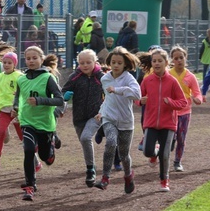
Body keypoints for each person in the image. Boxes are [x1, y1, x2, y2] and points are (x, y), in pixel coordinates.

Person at [12, 46, 64, 201]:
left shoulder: (48, 78)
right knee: (28, 149)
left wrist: (40, 101)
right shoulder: (21, 79)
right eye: (28, 58)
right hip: (27, 121)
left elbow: (60, 99)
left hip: (45, 124)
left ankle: (52, 143)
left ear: (42, 59)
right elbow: (18, 97)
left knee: (45, 157)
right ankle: (30, 186)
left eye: (34, 58)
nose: (31, 61)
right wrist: (15, 108)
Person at [138, 48, 187, 192]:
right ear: (151, 63)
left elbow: (182, 102)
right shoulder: (147, 81)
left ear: (166, 63)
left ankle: (164, 181)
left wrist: (171, 102)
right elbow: (137, 99)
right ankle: (155, 151)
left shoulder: (172, 81)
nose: (157, 63)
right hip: (151, 123)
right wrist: (141, 101)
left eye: (160, 61)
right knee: (147, 151)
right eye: (154, 61)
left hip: (168, 124)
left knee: (165, 155)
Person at [94, 47, 141, 193]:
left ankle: (128, 176)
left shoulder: (129, 78)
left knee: (124, 156)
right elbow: (108, 99)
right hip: (109, 118)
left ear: (125, 64)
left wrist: (118, 89)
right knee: (111, 142)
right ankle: (105, 178)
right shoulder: (105, 78)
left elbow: (137, 95)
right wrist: (101, 112)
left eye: (119, 63)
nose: (115, 65)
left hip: (126, 121)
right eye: (113, 62)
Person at [61, 49, 104, 187]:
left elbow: (110, 94)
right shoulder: (75, 76)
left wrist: (104, 110)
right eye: (81, 63)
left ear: (95, 62)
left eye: (88, 62)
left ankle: (90, 170)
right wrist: (65, 96)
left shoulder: (101, 77)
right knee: (85, 142)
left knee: (86, 138)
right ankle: (91, 165)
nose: (85, 65)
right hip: (78, 117)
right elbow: (62, 92)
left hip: (95, 115)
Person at [168, 46, 202, 173]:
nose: (179, 61)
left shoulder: (190, 76)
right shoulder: (168, 74)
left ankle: (177, 162)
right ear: (172, 60)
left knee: (181, 137)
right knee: (169, 136)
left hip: (185, 111)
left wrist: (197, 98)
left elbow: (197, 92)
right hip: (170, 110)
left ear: (185, 58)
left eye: (181, 58)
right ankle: (169, 144)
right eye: (176, 58)